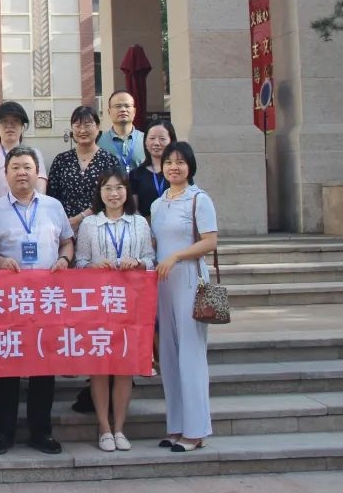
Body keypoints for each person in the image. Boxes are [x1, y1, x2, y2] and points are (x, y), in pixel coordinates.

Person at [0, 145, 73, 457]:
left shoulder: (53, 206)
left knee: (44, 366)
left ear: (37, 172)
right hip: (8, 300)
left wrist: (64, 259)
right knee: (6, 366)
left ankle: (41, 431)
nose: (22, 173)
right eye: (15, 167)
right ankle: (3, 432)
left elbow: (67, 242)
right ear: (5, 173)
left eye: (27, 167)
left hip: (46, 298)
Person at [74, 169, 155, 453]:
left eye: (119, 187)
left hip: (130, 303)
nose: (113, 193)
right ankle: (104, 428)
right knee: (100, 366)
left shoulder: (139, 223)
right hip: (98, 303)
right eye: (107, 188)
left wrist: (139, 263)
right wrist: (93, 267)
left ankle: (119, 428)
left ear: (127, 192)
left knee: (124, 367)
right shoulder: (90, 224)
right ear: (100, 193)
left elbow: (150, 259)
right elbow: (79, 262)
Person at [151, 142, 218, 453]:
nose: (173, 167)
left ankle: (196, 430)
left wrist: (176, 256)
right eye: (168, 162)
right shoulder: (158, 203)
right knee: (169, 355)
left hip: (190, 280)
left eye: (180, 162)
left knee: (191, 356)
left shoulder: (199, 199)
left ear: (190, 166)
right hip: (163, 284)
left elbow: (210, 242)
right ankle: (176, 426)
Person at [47, 106, 122, 232]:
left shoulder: (109, 160)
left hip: (101, 227)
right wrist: (64, 223)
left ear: (97, 127)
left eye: (87, 125)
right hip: (65, 228)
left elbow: (114, 195)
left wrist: (80, 217)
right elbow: (52, 197)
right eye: (77, 125)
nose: (82, 130)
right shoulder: (61, 160)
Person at [0, 102, 47, 203]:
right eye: (4, 121)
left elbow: (41, 190)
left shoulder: (34, 154)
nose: (9, 126)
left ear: (22, 127)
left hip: (30, 209)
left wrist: (33, 209)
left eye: (15, 121)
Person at [129, 121, 178, 219]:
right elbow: (133, 208)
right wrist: (145, 225)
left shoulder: (178, 171)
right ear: (145, 142)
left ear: (171, 141)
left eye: (162, 139)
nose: (156, 143)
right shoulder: (136, 174)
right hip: (146, 225)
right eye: (152, 138)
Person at [99, 90, 146, 174]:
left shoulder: (146, 140)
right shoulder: (99, 142)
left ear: (134, 111)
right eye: (118, 106)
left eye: (127, 106)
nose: (123, 109)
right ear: (109, 112)